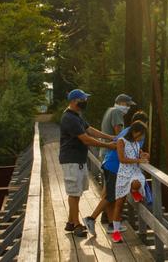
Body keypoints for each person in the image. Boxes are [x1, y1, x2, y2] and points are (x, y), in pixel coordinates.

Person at [58, 89, 116, 238]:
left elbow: (91, 130)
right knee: (73, 192)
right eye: (83, 99)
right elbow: (85, 138)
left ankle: (70, 222)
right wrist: (108, 145)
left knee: (77, 191)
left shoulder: (77, 116)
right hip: (71, 159)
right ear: (74, 101)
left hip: (78, 159)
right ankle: (77, 225)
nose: (85, 102)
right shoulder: (69, 118)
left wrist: (110, 137)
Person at [84, 111, 147, 237]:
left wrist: (140, 153)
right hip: (115, 167)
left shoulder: (127, 131)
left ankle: (112, 224)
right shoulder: (137, 134)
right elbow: (127, 154)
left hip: (109, 163)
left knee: (110, 195)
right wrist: (140, 158)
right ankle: (91, 219)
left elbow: (129, 149)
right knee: (111, 196)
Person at [109, 121, 150, 243]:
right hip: (124, 173)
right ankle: (116, 232)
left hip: (135, 172)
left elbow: (138, 154)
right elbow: (122, 159)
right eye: (141, 134)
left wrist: (143, 155)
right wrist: (138, 160)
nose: (142, 137)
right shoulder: (121, 141)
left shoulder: (137, 143)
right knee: (119, 204)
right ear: (135, 132)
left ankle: (133, 190)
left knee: (137, 183)